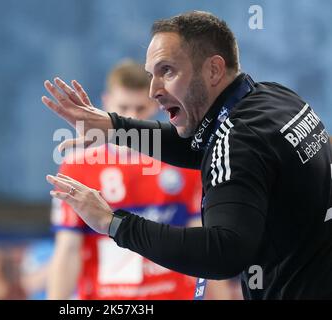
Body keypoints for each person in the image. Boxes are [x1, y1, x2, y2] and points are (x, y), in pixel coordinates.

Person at [42, 11, 332, 299]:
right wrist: (115, 127)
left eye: (167, 70)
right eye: (151, 75)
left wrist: (112, 222)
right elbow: (202, 144)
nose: (154, 90)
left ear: (214, 70)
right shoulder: (273, 98)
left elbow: (223, 252)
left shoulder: (239, 141)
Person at [47, 60, 233, 300]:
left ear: (155, 106)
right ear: (106, 103)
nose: (131, 117)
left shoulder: (184, 161)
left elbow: (204, 245)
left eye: (140, 109)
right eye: (123, 108)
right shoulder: (78, 166)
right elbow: (68, 249)